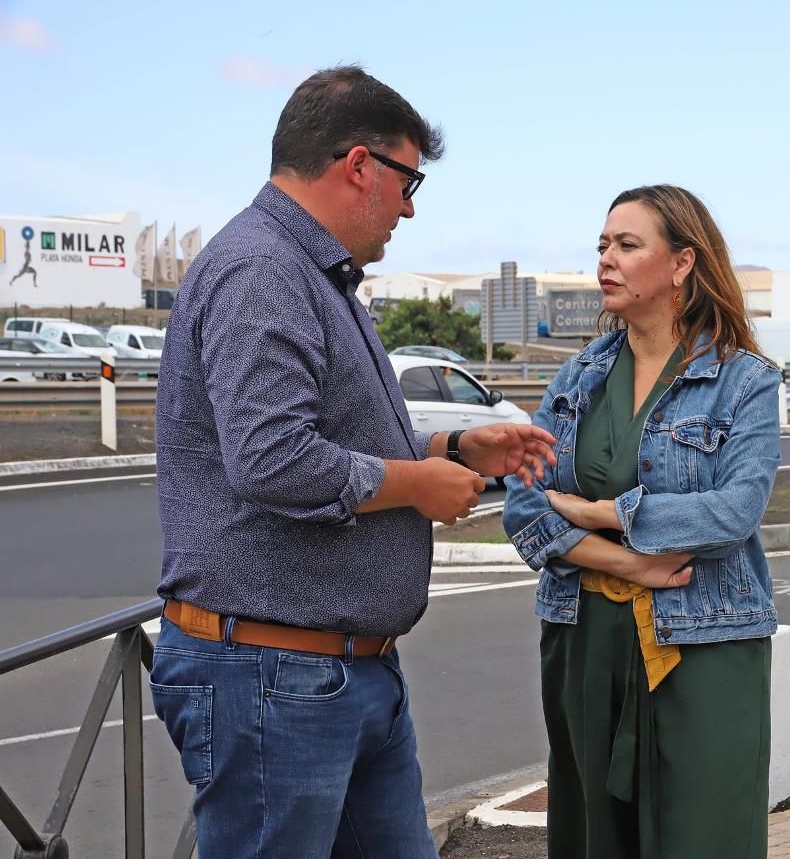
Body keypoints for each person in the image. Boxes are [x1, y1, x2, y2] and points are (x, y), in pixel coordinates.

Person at [151, 65, 557, 858]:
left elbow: (324, 437)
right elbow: (272, 460)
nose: (409, 205)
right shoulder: (262, 270)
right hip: (274, 673)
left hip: (326, 671)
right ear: (360, 164)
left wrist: (452, 448)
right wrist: (418, 483)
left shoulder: (308, 272)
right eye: (409, 180)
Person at [503, 184, 783, 858]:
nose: (607, 259)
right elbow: (522, 505)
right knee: (594, 834)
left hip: (704, 640)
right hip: (584, 636)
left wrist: (604, 513)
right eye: (603, 245)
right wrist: (630, 562)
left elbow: (735, 510)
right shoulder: (576, 379)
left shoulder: (746, 382)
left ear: (682, 263)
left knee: (704, 834)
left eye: (628, 245)